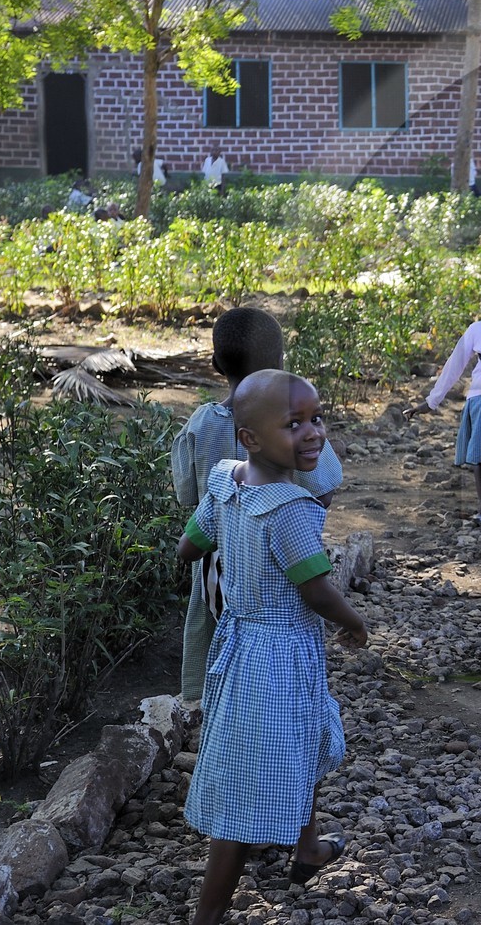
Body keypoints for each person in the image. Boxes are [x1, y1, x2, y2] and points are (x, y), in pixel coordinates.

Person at [178, 369, 368, 924]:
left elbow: (190, 545)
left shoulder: (225, 482)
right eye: (294, 424)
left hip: (239, 645)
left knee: (304, 740)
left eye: (316, 418)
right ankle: (208, 914)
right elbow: (316, 591)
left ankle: (306, 848)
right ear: (252, 438)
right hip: (277, 658)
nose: (313, 433)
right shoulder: (288, 510)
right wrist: (353, 622)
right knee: (245, 784)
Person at [173, 307, 343, 704]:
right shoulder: (294, 423)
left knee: (214, 635)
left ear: (216, 364)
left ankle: (215, 709)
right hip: (277, 565)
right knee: (275, 646)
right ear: (281, 364)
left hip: (217, 561)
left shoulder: (199, 424)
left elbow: (187, 498)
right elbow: (324, 490)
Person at [403, 282, 481, 526]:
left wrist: (431, 402)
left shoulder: (476, 329)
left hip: (480, 396)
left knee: (480, 455)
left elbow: (454, 366)